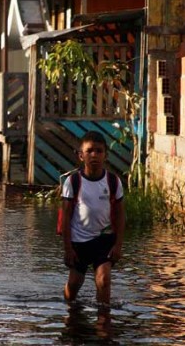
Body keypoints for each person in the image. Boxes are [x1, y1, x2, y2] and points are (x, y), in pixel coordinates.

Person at [61, 131, 125, 307]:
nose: (94, 155)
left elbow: (120, 214)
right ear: (81, 155)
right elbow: (65, 217)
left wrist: (118, 245)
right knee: (74, 285)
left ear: (106, 155)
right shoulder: (73, 182)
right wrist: (67, 249)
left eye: (99, 151)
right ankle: (70, 315)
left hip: (104, 240)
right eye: (89, 151)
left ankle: (103, 323)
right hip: (79, 242)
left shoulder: (113, 181)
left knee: (104, 281)